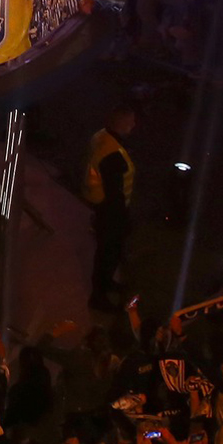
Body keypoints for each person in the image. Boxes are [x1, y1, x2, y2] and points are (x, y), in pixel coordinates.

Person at [83, 106, 137, 310]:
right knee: (108, 253)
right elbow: (116, 194)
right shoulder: (113, 157)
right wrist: (124, 220)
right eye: (130, 121)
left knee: (106, 253)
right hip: (111, 213)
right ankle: (99, 297)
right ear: (119, 123)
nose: (133, 125)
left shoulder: (101, 137)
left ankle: (105, 285)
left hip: (101, 207)